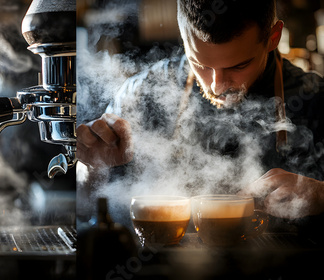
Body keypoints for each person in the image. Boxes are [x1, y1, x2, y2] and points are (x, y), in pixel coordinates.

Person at [77, 0, 324, 221]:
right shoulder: (142, 94)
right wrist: (92, 167)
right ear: (183, 36)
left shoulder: (314, 100)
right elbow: (85, 204)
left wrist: (321, 194)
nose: (217, 86)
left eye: (239, 65)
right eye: (201, 64)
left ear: (273, 37)